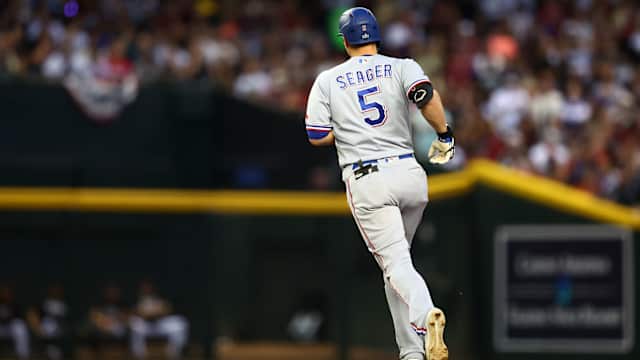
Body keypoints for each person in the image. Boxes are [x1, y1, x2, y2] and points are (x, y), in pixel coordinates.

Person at [305, 7, 452, 360]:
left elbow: (316, 134)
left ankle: (425, 313)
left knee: (396, 265)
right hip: (410, 176)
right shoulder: (403, 66)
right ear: (375, 35)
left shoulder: (328, 79)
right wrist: (445, 134)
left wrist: (349, 127)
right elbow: (425, 97)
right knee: (397, 266)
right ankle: (412, 353)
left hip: (368, 179)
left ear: (344, 40)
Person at [129, 280, 188, 359]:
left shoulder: (158, 298)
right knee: (134, 323)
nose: (147, 289)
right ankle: (139, 355)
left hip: (160, 325)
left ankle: (174, 352)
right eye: (145, 288)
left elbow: (167, 310)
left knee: (180, 322)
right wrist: (149, 314)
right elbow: (137, 313)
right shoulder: (137, 300)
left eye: (148, 287)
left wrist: (155, 313)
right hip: (145, 326)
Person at [26, 284, 70, 360]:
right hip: (44, 328)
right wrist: (37, 326)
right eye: (53, 290)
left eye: (57, 290)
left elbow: (63, 321)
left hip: (57, 329)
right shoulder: (45, 303)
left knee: (54, 353)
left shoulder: (63, 305)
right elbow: (34, 314)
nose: (55, 292)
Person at [0, 285, 30, 359]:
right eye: (3, 293)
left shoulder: (15, 305)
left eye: (7, 293)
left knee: (20, 327)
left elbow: (20, 318)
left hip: (11, 328)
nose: (5, 294)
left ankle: (23, 355)